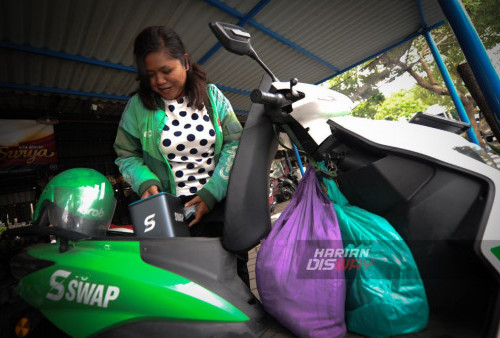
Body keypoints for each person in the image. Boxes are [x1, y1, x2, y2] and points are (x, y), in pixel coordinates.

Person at [113, 26, 248, 285]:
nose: (159, 81)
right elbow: (125, 154)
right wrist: (144, 181)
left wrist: (211, 193)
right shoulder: (136, 108)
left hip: (219, 203)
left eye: (166, 71)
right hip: (171, 214)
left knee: (234, 279)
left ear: (185, 62)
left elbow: (235, 144)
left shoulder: (213, 97)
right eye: (150, 74)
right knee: (187, 286)